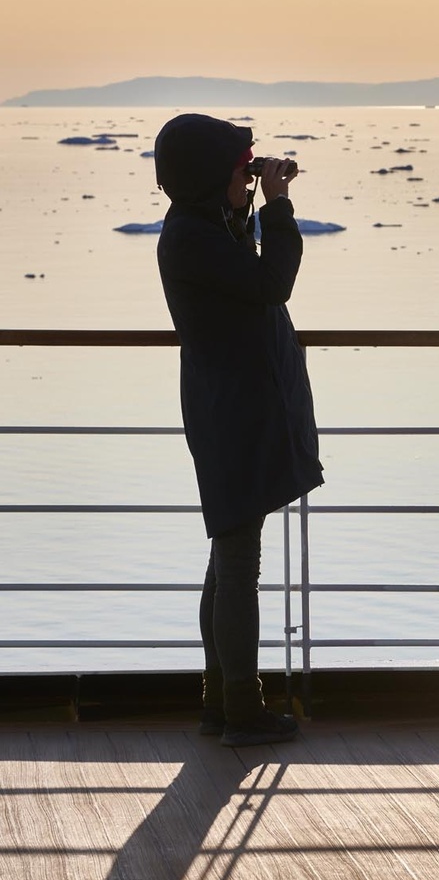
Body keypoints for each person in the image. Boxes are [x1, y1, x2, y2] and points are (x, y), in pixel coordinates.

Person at [154, 113, 323, 747]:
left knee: (225, 562)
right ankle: (242, 710)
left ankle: (218, 702)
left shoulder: (203, 225)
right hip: (231, 413)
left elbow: (244, 269)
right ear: (206, 176)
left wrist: (253, 190)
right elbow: (270, 282)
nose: (247, 176)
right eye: (238, 166)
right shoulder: (192, 239)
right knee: (236, 564)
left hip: (233, 407)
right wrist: (277, 208)